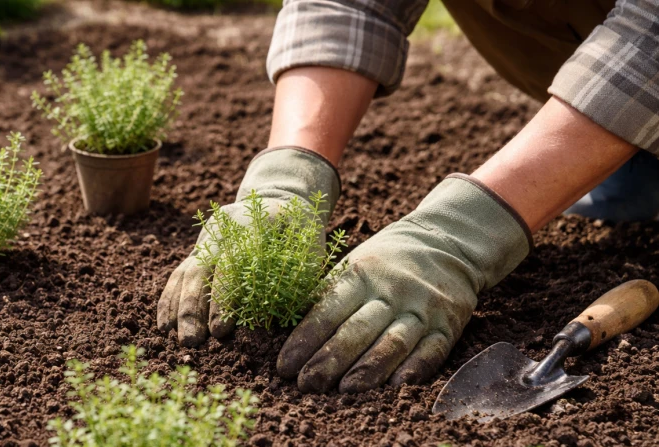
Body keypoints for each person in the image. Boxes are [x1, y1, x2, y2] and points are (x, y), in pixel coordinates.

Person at [157, 0, 659, 394]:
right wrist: (287, 177)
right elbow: (348, 3)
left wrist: (462, 232)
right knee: (629, 193)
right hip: (594, 89)